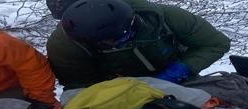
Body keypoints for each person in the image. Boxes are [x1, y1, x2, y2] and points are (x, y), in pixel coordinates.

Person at [45, 0, 231, 90]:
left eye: (120, 37)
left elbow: (215, 43)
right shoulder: (65, 46)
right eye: (106, 43)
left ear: (133, 20)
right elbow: (79, 86)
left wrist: (181, 69)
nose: (116, 44)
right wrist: (118, 94)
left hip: (181, 79)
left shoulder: (161, 17)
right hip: (118, 92)